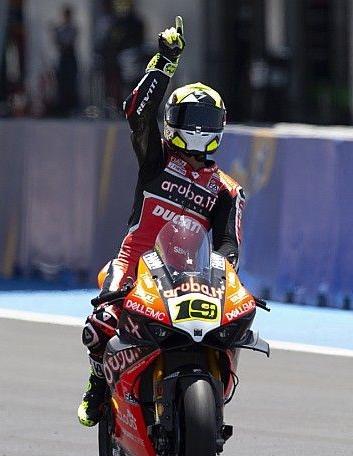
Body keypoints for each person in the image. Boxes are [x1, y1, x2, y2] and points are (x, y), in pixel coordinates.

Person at [77, 16, 246, 427]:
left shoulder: (227, 190)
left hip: (187, 277)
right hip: (134, 266)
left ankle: (207, 402)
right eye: (191, 118)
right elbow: (137, 113)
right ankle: (98, 384)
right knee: (98, 328)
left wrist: (225, 279)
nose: (198, 129)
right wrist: (164, 62)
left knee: (232, 327)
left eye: (207, 121)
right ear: (174, 121)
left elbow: (228, 247)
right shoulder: (157, 162)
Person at [53, 5, 79, 116]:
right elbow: (58, 43)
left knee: (71, 82)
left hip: (70, 57)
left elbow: (69, 42)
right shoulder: (61, 29)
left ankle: (71, 106)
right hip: (64, 58)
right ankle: (63, 107)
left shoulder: (73, 28)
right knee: (62, 83)